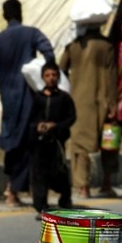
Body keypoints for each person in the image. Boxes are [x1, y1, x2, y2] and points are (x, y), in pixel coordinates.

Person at [0, 0, 55, 207]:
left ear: (4, 16)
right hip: (30, 98)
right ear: (21, 13)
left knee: (13, 143)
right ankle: (14, 189)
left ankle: (13, 191)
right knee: (29, 144)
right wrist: (47, 75)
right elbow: (48, 52)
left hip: (8, 102)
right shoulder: (31, 34)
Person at [61, 23, 118, 199]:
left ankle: (83, 186)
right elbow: (112, 76)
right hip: (104, 101)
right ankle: (106, 183)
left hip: (79, 102)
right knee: (109, 143)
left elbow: (61, 69)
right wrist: (113, 104)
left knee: (79, 146)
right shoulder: (107, 46)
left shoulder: (72, 47)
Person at [28, 62, 75, 216]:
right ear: (43, 77)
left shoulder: (64, 98)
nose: (51, 78)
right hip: (40, 143)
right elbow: (30, 119)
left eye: (54, 75)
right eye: (48, 75)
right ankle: (42, 207)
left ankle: (65, 198)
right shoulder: (37, 97)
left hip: (57, 142)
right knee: (39, 175)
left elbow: (71, 118)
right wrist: (38, 126)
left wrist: (56, 125)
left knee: (58, 172)